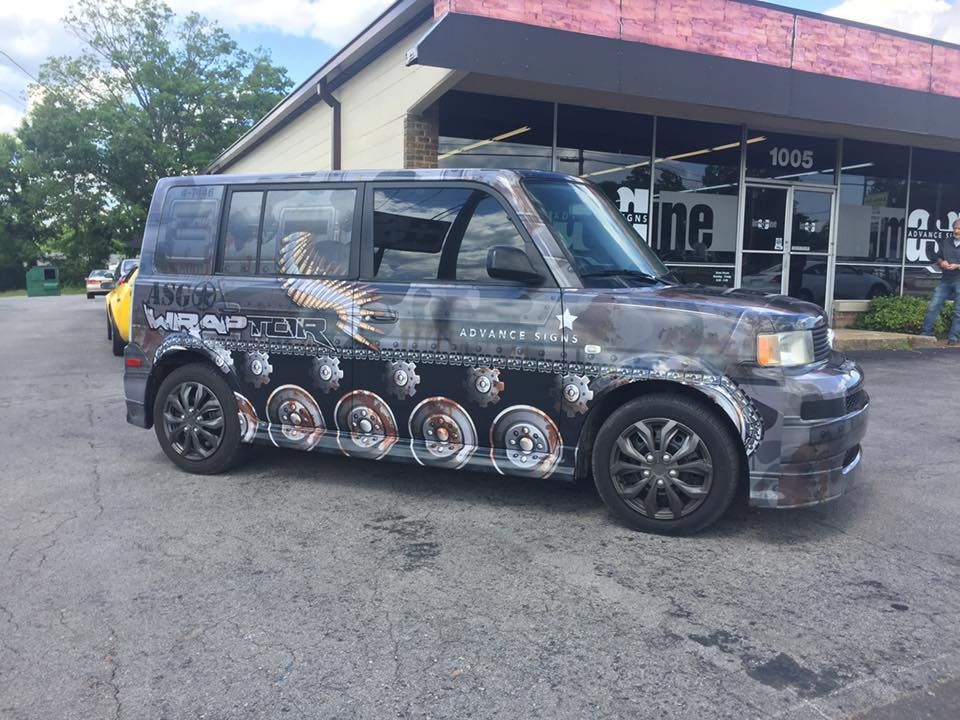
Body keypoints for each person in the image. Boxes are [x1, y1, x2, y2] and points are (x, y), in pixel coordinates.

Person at [921, 218, 960, 345]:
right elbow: (938, 256)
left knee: (958, 311)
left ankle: (953, 338)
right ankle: (925, 335)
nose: (956, 231)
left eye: (959, 229)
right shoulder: (947, 242)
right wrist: (941, 262)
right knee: (933, 306)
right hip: (945, 280)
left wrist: (957, 266)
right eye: (954, 228)